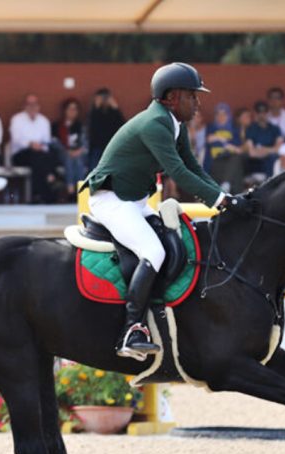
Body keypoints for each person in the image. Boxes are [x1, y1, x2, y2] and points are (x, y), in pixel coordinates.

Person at [82, 62, 243, 360]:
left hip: (135, 201)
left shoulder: (174, 123)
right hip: (111, 200)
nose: (198, 103)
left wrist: (226, 197)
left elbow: (193, 167)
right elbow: (178, 173)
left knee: (176, 242)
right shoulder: (155, 124)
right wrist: (220, 202)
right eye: (192, 96)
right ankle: (132, 330)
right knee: (153, 251)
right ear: (171, 97)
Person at [10, 93, 60, 203]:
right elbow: (16, 139)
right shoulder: (17, 119)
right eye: (29, 104)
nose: (32, 107)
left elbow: (47, 141)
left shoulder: (44, 121)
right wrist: (31, 144)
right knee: (37, 157)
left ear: (38, 106)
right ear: (24, 106)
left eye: (34, 104)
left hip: (40, 154)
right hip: (21, 153)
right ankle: (50, 180)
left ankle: (38, 194)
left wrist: (39, 146)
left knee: (45, 156)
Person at [205, 102, 246, 193]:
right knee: (235, 169)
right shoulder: (211, 127)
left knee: (236, 161)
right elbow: (208, 139)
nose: (221, 117)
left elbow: (239, 150)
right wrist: (223, 140)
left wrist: (225, 144)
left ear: (228, 116)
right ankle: (233, 192)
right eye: (218, 114)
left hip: (229, 160)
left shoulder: (235, 130)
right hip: (215, 161)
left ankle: (226, 184)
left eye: (224, 114)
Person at [52, 98, 87, 199]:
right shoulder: (57, 126)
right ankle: (72, 190)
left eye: (75, 109)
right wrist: (67, 151)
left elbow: (86, 142)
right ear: (65, 111)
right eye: (70, 109)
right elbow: (54, 143)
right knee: (69, 158)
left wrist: (79, 151)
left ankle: (77, 191)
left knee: (77, 159)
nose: (72, 112)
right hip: (63, 154)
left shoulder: (81, 126)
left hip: (80, 154)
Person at [87, 88, 125, 170]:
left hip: (111, 145)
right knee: (94, 167)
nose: (104, 100)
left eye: (106, 97)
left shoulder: (113, 113)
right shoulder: (95, 113)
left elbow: (123, 125)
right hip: (97, 146)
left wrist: (115, 108)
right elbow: (92, 127)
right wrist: (96, 107)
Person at [245, 100, 283, 180]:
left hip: (272, 161)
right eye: (259, 112)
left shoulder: (275, 129)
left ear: (268, 112)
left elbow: (279, 149)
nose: (262, 115)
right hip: (256, 163)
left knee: (273, 158)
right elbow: (251, 153)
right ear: (255, 113)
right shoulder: (251, 129)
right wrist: (270, 150)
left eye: (264, 112)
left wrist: (263, 150)